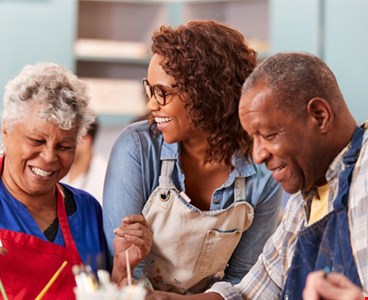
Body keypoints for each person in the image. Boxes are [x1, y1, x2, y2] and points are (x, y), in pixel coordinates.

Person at [145, 51, 368, 299]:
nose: (259, 155)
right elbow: (249, 294)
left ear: (319, 115)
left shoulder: (363, 174)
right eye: (253, 138)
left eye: (270, 135)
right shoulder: (304, 200)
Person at [103, 20, 283, 294]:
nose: (152, 105)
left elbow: (244, 283)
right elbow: (126, 274)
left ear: (206, 93)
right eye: (150, 90)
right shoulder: (136, 149)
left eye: (162, 93)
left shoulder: (262, 169)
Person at [0, 62, 148, 299]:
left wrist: (122, 266)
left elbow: (102, 293)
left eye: (64, 146)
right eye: (36, 141)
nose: (49, 157)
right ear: (6, 129)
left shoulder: (86, 210)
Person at [62, 117, 107, 205]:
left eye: (67, 139)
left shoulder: (105, 178)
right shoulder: (60, 170)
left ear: (86, 141)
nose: (62, 145)